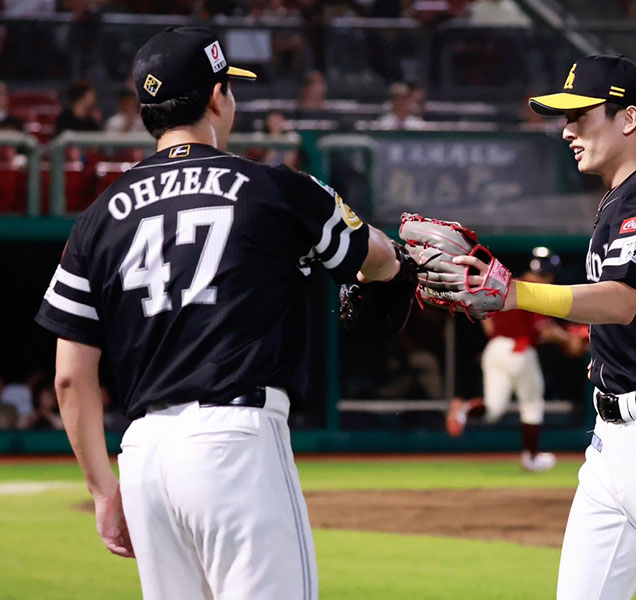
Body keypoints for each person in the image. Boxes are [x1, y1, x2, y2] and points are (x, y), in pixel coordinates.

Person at [35, 26, 408, 600]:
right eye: (229, 88)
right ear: (216, 97)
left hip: (144, 456)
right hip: (235, 442)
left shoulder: (97, 217)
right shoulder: (275, 188)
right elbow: (377, 261)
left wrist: (105, 490)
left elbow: (68, 377)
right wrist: (400, 259)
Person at [444, 55, 636, 598]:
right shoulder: (631, 199)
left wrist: (517, 292)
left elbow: (622, 299)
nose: (566, 130)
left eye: (581, 115)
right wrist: (629, 346)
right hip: (610, 446)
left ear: (628, 119)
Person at [446, 251, 587, 472]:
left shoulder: (508, 285)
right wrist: (570, 339)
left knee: (493, 410)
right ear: (549, 274)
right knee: (532, 404)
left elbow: (488, 323)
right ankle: (531, 458)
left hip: (494, 349)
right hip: (519, 349)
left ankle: (464, 409)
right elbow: (544, 328)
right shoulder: (535, 289)